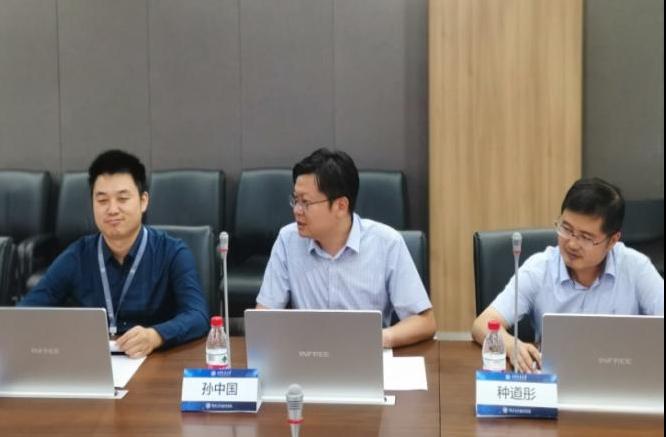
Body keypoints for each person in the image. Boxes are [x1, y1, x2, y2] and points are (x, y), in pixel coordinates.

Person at [19, 150, 209, 357]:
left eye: (122, 198)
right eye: (102, 201)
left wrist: (156, 336)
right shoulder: (77, 256)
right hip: (94, 361)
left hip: (155, 359)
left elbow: (197, 315)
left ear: (143, 201)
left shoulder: (172, 253)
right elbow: (25, 313)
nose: (112, 210)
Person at [472, 177, 664, 372]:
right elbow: (482, 324)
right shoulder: (539, 269)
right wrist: (511, 345)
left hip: (620, 377)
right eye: (566, 229)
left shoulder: (636, 269)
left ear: (613, 240)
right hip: (554, 376)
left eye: (586, 237)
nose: (572, 244)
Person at [256, 148, 436, 348]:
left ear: (341, 206)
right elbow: (263, 319)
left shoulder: (387, 243)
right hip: (309, 355)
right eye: (295, 200)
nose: (297, 210)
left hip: (366, 354)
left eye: (305, 202)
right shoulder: (288, 240)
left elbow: (424, 322)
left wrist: (375, 339)